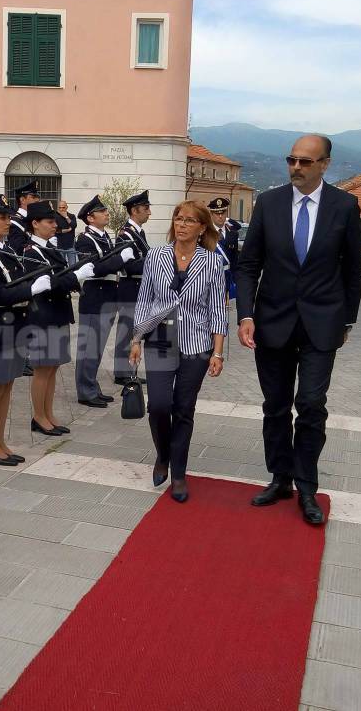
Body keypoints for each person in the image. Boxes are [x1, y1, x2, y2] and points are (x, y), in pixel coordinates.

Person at [236, 135, 361, 525]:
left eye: (306, 162)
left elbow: (353, 268)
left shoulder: (344, 206)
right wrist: (245, 315)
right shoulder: (269, 202)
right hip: (272, 322)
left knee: (310, 403)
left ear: (325, 164)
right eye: (292, 160)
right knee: (275, 405)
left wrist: (347, 320)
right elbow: (248, 264)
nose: (296, 167)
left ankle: (307, 484)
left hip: (321, 324)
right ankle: (280, 477)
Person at [129, 200, 227, 503]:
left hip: (196, 345)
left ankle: (180, 474)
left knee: (184, 409)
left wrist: (218, 352)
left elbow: (218, 311)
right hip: (159, 339)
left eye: (189, 221)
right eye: (178, 219)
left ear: (201, 227)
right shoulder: (156, 256)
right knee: (158, 405)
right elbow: (145, 299)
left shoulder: (211, 262)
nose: (181, 225)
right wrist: (136, 338)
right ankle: (163, 454)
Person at [0, 194, 52, 466]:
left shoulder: (5, 249)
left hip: (16, 323)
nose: (8, 221)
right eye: (2, 217)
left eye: (8, 216)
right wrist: (31, 288)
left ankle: (0, 442)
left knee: (6, 387)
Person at [23, 200, 94, 435]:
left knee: (52, 368)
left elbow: (58, 277)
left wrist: (72, 277)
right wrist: (76, 277)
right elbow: (48, 283)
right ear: (35, 223)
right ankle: (38, 416)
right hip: (43, 316)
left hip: (57, 313)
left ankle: (48, 414)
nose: (55, 225)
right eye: (49, 221)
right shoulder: (30, 252)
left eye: (55, 221)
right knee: (43, 369)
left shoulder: (49, 249)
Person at [74, 196, 136, 407]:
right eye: (102, 211)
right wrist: (122, 259)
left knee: (97, 348)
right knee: (88, 349)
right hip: (95, 297)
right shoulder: (85, 239)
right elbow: (96, 268)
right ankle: (85, 391)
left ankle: (92, 387)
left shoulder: (103, 237)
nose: (106, 213)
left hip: (108, 296)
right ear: (90, 218)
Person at [113, 191, 151, 385]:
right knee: (126, 331)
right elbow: (126, 266)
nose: (149, 212)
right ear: (135, 211)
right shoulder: (125, 234)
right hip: (130, 286)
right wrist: (152, 261)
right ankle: (121, 372)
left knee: (136, 331)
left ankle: (130, 370)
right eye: (146, 209)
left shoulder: (138, 232)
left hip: (140, 286)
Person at [210, 197, 240, 301]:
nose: (220, 216)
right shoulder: (205, 233)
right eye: (217, 214)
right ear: (212, 215)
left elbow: (234, 258)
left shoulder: (233, 233)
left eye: (223, 213)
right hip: (210, 277)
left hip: (227, 277)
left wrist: (236, 279)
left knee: (225, 310)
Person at [8, 180, 40, 254]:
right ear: (22, 200)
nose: (37, 200)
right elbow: (18, 250)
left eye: (37, 196)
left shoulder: (34, 219)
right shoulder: (15, 222)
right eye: (33, 197)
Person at [55, 199, 78, 264]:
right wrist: (67, 230)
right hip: (59, 245)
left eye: (63, 207)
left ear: (67, 207)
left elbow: (74, 225)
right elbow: (55, 230)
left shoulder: (71, 216)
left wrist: (66, 217)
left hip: (70, 245)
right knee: (61, 265)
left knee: (72, 265)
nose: (61, 209)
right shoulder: (55, 217)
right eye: (60, 207)